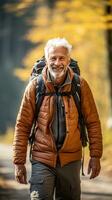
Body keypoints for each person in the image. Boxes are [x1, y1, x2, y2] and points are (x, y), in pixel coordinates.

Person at [13, 38, 103, 200]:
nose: (57, 62)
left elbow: (93, 122)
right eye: (53, 58)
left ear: (68, 59)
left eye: (62, 58)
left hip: (71, 159)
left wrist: (95, 156)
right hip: (42, 158)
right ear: (46, 60)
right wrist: (19, 163)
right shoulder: (35, 86)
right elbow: (23, 125)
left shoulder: (80, 85)